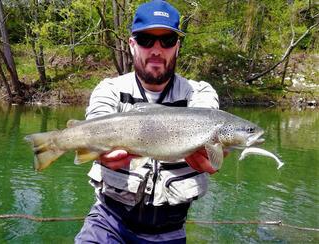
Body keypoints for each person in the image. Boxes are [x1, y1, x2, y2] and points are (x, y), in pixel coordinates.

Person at [75, 0, 220, 243]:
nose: (156, 49)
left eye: (167, 40)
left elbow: (207, 120)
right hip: (109, 223)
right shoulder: (110, 89)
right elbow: (96, 123)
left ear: (177, 46)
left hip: (170, 231)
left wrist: (213, 154)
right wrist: (98, 150)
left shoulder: (199, 94)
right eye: (145, 40)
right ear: (132, 45)